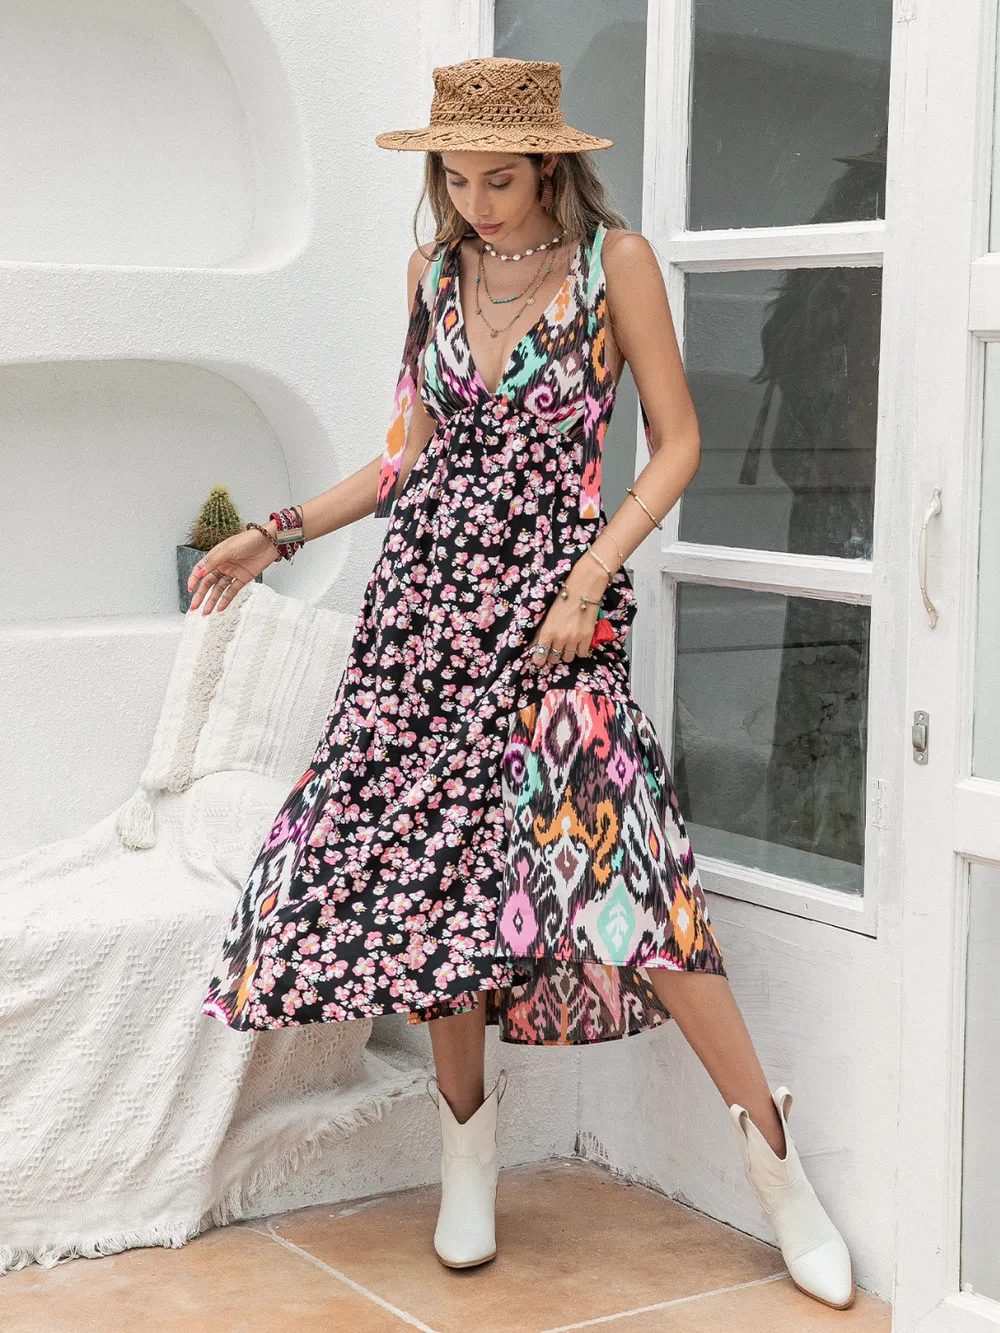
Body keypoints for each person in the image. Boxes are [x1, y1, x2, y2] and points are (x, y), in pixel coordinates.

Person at [188, 56, 855, 1312]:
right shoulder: (432, 274)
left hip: (554, 625)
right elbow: (403, 460)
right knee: (445, 890)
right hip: (421, 622)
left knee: (639, 888)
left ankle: (780, 1174)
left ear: (549, 163)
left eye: (497, 178)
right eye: (455, 178)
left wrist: (592, 573)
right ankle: (467, 1158)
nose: (475, 202)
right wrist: (273, 533)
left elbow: (679, 443)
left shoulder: (616, 265)